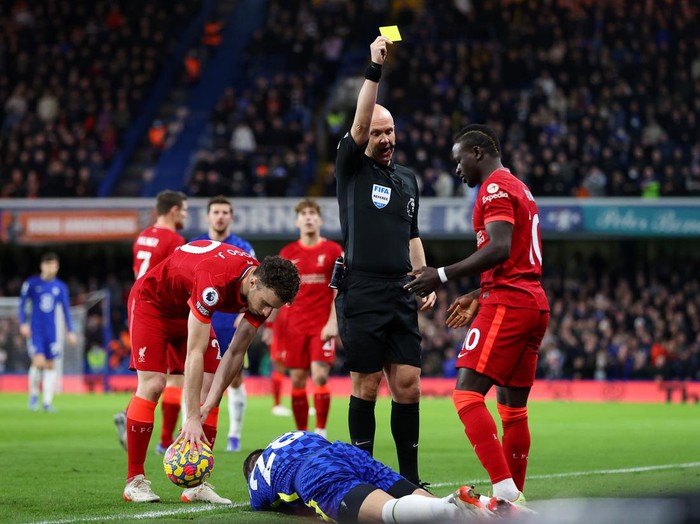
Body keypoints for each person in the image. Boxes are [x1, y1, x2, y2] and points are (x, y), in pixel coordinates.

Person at [404, 124, 550, 507]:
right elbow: (516, 255)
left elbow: (500, 248)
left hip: (509, 303)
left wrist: (441, 274)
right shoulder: (520, 187)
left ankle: (503, 488)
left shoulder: (496, 188)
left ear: (478, 153)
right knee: (513, 409)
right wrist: (476, 293)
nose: (457, 170)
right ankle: (512, 503)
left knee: (467, 396)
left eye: (459, 160)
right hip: (532, 301)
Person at [123, 240, 299, 503]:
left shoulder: (262, 292)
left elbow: (236, 352)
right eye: (264, 303)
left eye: (272, 307)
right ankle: (134, 481)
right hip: (152, 304)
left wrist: (210, 403)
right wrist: (192, 416)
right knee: (154, 384)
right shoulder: (213, 284)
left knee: (209, 386)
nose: (265, 311)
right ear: (253, 283)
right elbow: (194, 352)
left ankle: (196, 484)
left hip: (187, 307)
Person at [333, 35, 436, 486]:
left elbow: (411, 232)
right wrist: (374, 69)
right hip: (362, 289)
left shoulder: (409, 179)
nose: (385, 138)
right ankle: (364, 478)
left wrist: (425, 278)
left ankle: (409, 479)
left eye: (390, 131)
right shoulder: (351, 166)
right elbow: (357, 125)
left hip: (400, 291)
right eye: (377, 133)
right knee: (366, 386)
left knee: (409, 384)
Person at [244, 430, 491, 523]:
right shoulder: (293, 435)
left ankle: (448, 509)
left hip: (313, 471)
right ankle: (487, 507)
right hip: (343, 451)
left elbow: (265, 505)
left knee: (387, 511)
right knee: (412, 495)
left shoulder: (257, 473)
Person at [114, 190, 189, 453]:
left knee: (151, 378)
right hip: (161, 308)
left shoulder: (142, 236)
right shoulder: (174, 240)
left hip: (138, 306)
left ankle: (130, 414)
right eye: (184, 210)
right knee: (174, 378)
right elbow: (176, 277)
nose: (186, 215)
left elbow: (138, 273)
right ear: (173, 210)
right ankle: (165, 441)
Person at [267, 198, 343, 437]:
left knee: (320, 375)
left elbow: (338, 290)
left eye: (312, 213)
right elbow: (278, 292)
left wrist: (334, 321)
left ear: (319, 219)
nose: (308, 217)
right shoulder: (288, 253)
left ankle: (320, 431)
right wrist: (270, 323)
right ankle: (302, 435)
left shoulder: (333, 251)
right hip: (295, 326)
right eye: (304, 214)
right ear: (297, 220)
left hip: (321, 325)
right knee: (298, 379)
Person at [189, 195, 255, 453]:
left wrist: (245, 314)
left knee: (234, 378)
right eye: (216, 211)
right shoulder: (196, 245)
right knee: (200, 380)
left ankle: (235, 435)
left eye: (225, 212)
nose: (220, 216)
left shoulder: (243, 247)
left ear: (231, 216)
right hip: (202, 321)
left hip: (232, 323)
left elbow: (255, 285)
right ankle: (195, 429)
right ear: (208, 216)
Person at [19, 252, 77, 412]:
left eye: (55, 265)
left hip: (51, 332)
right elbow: (22, 304)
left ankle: (46, 402)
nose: (52, 268)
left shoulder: (60, 287)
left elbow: (65, 310)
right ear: (42, 266)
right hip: (35, 331)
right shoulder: (31, 284)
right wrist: (22, 323)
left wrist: (70, 331)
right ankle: (33, 396)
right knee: (39, 363)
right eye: (49, 264)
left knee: (51, 365)